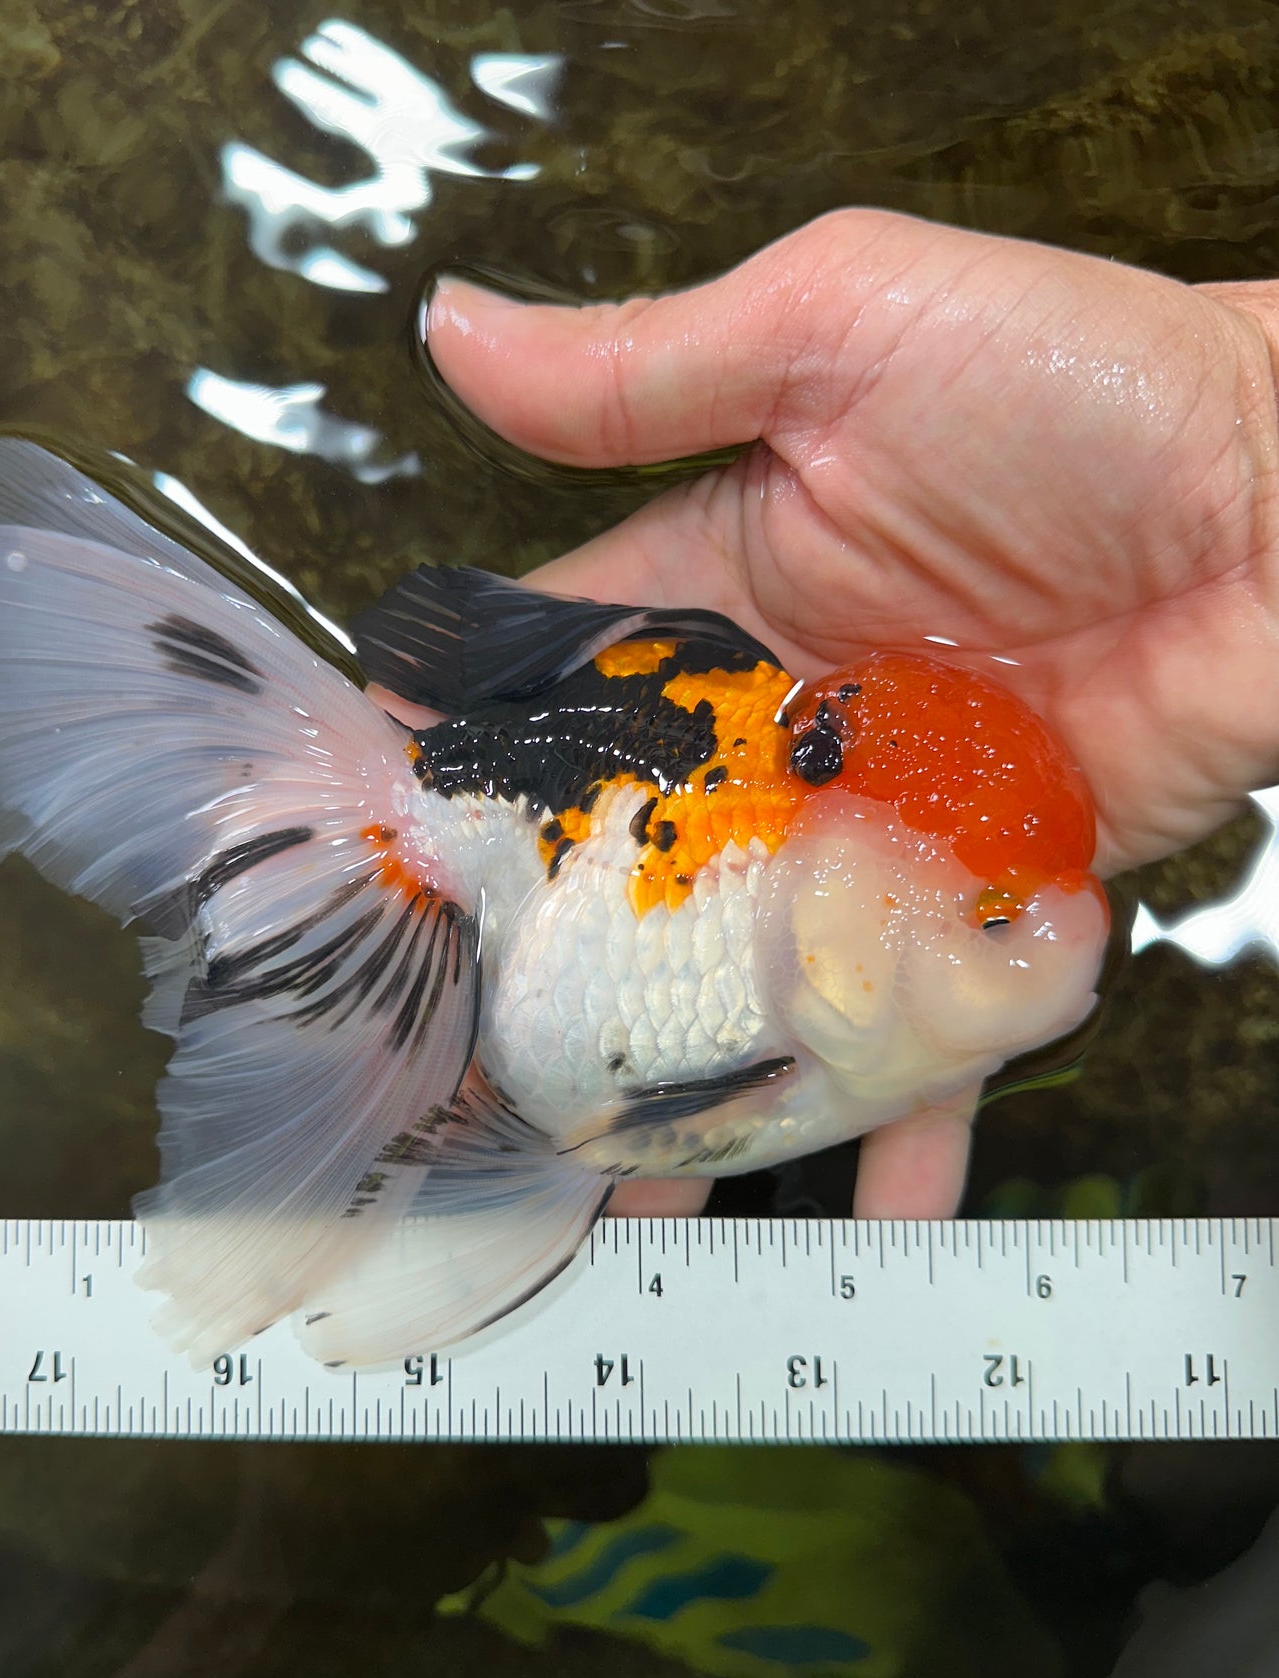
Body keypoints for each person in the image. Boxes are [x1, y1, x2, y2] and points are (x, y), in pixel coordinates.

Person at [423, 208, 1279, 1222]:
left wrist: (1246, 432)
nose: (1053, 935)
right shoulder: (836, 900)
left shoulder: (868, 889)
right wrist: (1242, 429)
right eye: (990, 919)